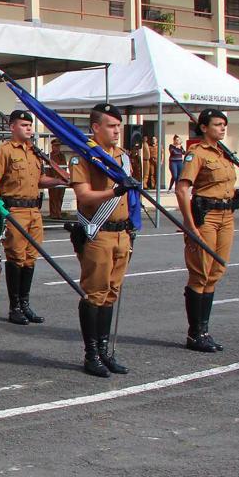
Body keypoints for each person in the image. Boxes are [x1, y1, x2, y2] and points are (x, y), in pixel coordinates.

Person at [176, 109, 239, 353]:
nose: (223, 128)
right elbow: (182, 190)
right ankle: (195, 334)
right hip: (206, 217)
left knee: (215, 272)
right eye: (217, 124)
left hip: (226, 216)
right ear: (204, 127)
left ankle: (204, 331)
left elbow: (227, 191)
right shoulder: (196, 154)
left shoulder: (225, 155)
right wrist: (189, 224)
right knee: (200, 272)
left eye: (224, 124)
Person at [69, 103, 133, 378]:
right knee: (95, 293)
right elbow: (83, 196)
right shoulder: (84, 157)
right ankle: (92, 354)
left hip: (122, 233)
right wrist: (115, 192)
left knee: (111, 293)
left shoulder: (123, 157)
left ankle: (105, 351)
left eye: (119, 126)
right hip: (99, 232)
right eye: (111, 126)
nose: (117, 131)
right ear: (96, 128)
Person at [0, 111, 62, 325]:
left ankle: (25, 304)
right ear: (12, 127)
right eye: (23, 125)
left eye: (30, 125)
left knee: (31, 258)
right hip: (15, 210)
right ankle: (15, 307)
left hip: (34, 211)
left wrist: (60, 180)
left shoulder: (34, 151)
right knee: (16, 257)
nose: (29, 128)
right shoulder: (5, 150)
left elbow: (39, 180)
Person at [47, 138, 68, 219]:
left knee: (60, 197)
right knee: (53, 197)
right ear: (52, 146)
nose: (57, 148)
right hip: (53, 179)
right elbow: (47, 169)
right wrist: (50, 179)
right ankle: (53, 214)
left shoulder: (62, 156)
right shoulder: (49, 156)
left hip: (61, 179)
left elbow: (64, 167)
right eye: (55, 146)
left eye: (58, 146)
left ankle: (58, 213)